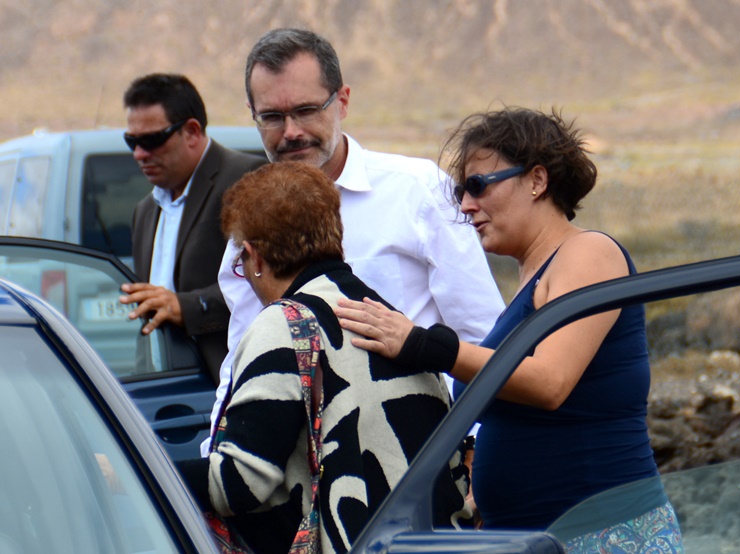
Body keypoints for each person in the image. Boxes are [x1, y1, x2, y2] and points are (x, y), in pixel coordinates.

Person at [334, 107, 684, 551]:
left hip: (605, 536)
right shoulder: (530, 284)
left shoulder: (589, 253)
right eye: (461, 191)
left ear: (537, 180)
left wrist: (423, 344)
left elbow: (549, 382)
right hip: (539, 538)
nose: (465, 205)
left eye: (478, 185)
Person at [202, 28, 505, 453]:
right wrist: (216, 457)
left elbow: (483, 336)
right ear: (251, 114)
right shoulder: (250, 220)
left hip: (420, 461)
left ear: (342, 100)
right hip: (308, 474)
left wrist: (472, 450)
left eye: (306, 110)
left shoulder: (416, 191)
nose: (290, 132)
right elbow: (243, 361)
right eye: (272, 117)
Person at [177, 161, 470, 554]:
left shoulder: (284, 326)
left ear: (255, 258)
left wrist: (137, 470)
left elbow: (239, 483)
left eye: (240, 264)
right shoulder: (387, 318)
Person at [119, 73, 265, 383]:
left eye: (151, 140)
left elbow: (267, 283)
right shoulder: (144, 211)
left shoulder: (247, 179)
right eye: (131, 141)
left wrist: (186, 307)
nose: (139, 154)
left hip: (231, 385)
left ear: (192, 131)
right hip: (165, 386)